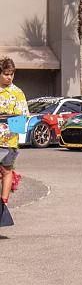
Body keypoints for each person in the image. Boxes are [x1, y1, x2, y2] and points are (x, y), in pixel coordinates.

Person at [0, 57, 28, 205]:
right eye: (6, 74)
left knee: (6, 171)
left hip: (9, 141)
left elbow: (21, 118)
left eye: (11, 74)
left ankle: (3, 205)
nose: (9, 77)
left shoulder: (18, 93)